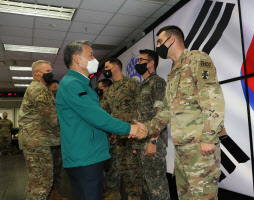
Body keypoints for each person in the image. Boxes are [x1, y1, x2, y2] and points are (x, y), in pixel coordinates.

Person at [55, 40, 147, 200]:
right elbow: (95, 115)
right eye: (90, 55)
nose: (94, 59)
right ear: (77, 59)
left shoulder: (82, 84)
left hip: (90, 154)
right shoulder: (72, 84)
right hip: (85, 157)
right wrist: (130, 128)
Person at [146, 26, 225, 199]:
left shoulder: (197, 59)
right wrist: (146, 128)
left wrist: (209, 138)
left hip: (200, 149)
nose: (158, 46)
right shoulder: (173, 72)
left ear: (172, 39)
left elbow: (212, 99)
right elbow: (167, 110)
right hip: (182, 150)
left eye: (160, 41)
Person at [18, 60, 66, 200]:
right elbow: (52, 117)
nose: (51, 74)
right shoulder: (39, 89)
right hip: (37, 141)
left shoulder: (40, 88)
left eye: (51, 71)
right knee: (41, 183)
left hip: (38, 140)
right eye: (48, 71)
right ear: (37, 73)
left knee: (36, 181)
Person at [101, 58, 143, 200]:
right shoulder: (110, 91)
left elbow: (143, 109)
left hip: (133, 137)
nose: (104, 70)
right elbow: (103, 112)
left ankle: (135, 197)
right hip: (119, 138)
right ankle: (130, 196)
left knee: (134, 172)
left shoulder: (132, 84)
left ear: (115, 68)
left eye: (107, 67)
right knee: (124, 171)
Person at [133, 49, 170, 200]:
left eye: (141, 60)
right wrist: (136, 143)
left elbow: (160, 114)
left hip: (153, 142)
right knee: (147, 185)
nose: (138, 63)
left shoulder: (158, 82)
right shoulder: (141, 86)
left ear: (151, 63)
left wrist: (153, 140)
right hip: (141, 142)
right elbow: (139, 116)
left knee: (157, 186)